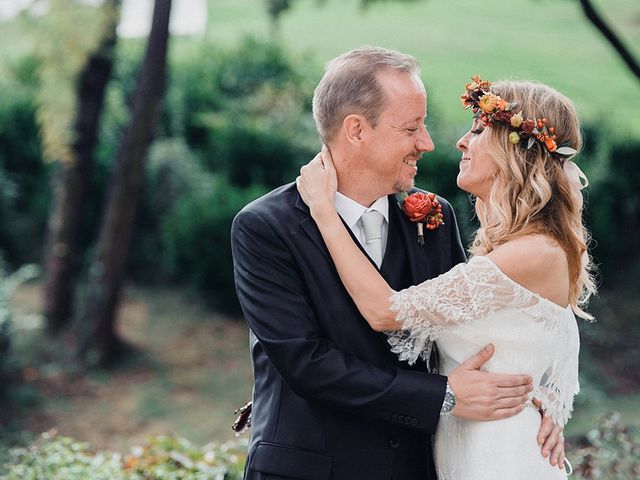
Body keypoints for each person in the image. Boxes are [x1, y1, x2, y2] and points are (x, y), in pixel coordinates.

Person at [231, 47, 563, 480]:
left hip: (414, 468)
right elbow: (307, 363)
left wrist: (535, 400)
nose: (426, 143)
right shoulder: (265, 227)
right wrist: (441, 396)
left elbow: (469, 333)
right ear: (356, 130)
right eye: (411, 128)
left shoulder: (434, 216)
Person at [296, 74, 596, 479]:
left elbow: (387, 313)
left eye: (477, 130)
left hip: (500, 456)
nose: (460, 141)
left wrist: (324, 213)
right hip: (465, 449)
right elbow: (547, 348)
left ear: (516, 150)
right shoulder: (519, 248)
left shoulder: (533, 252)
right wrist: (545, 401)